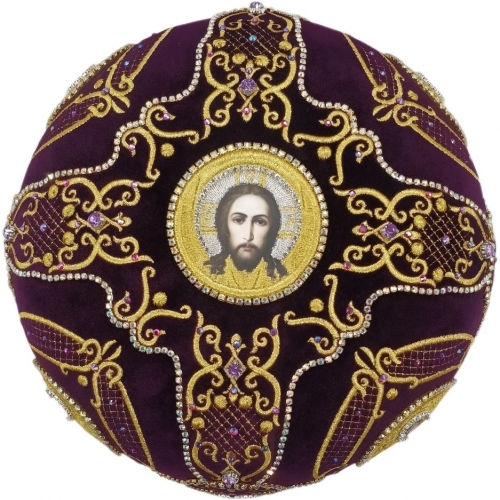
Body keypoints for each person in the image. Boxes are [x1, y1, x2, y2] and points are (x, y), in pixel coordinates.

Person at [204, 184, 287, 279]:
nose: (248, 236)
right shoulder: (206, 274)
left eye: (260, 222)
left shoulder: (282, 277)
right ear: (225, 226)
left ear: (271, 229)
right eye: (238, 220)